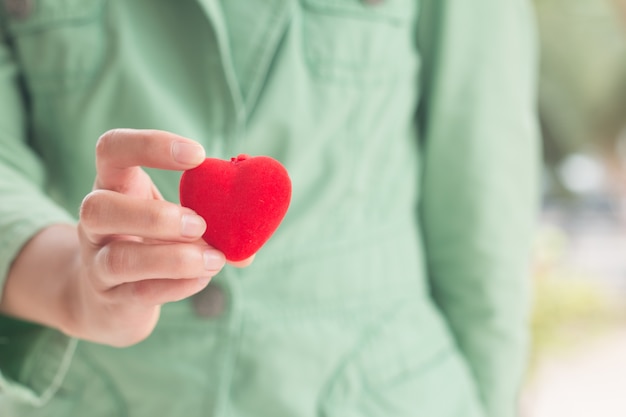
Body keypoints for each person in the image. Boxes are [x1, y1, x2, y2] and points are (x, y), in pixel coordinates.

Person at [0, 1, 540, 416]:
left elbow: (482, 184)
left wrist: (490, 401)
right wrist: (75, 282)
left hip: (387, 392)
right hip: (95, 389)